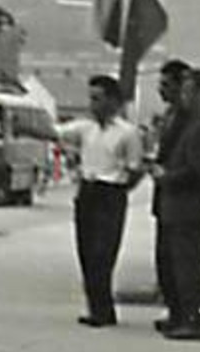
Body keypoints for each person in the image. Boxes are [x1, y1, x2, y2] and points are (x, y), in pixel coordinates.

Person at [57, 74, 144, 327]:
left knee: (103, 253)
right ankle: (96, 308)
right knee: (86, 251)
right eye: (91, 98)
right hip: (88, 191)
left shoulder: (128, 133)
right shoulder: (86, 129)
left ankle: (104, 310)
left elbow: (135, 168)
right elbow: (56, 132)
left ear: (113, 102)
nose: (92, 104)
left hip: (110, 193)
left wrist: (121, 189)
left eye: (97, 99)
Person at [153, 68, 200, 341]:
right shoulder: (190, 123)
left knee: (190, 267)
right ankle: (184, 316)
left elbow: (196, 171)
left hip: (190, 209)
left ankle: (198, 320)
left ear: (199, 94)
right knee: (178, 266)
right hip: (178, 208)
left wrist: (166, 176)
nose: (182, 96)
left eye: (187, 91)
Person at [148, 59, 190, 333]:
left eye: (166, 85)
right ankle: (175, 311)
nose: (160, 90)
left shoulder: (186, 118)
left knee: (179, 261)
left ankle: (184, 314)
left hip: (179, 199)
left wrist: (164, 173)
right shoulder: (170, 116)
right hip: (165, 199)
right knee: (164, 260)